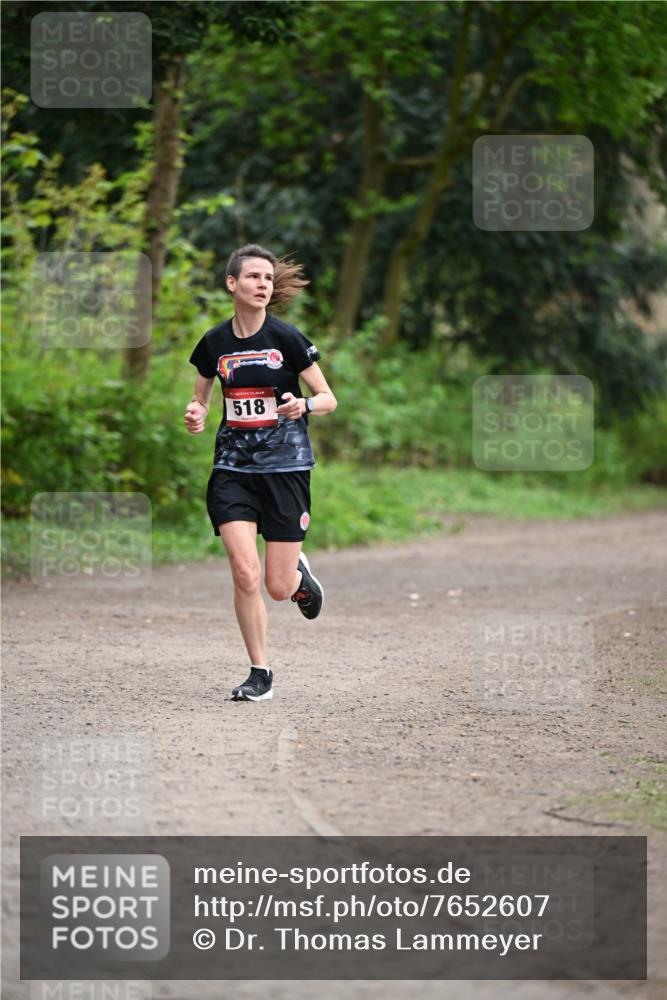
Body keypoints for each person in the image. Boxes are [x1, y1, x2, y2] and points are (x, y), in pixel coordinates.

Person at [184, 244, 337, 702]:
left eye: (268, 279)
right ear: (232, 284)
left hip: (286, 468)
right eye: (253, 277)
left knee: (275, 586)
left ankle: (297, 578)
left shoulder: (287, 338)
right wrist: (195, 413)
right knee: (245, 573)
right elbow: (202, 401)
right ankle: (260, 672)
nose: (263, 285)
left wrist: (303, 404)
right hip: (233, 470)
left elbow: (328, 398)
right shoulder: (214, 344)